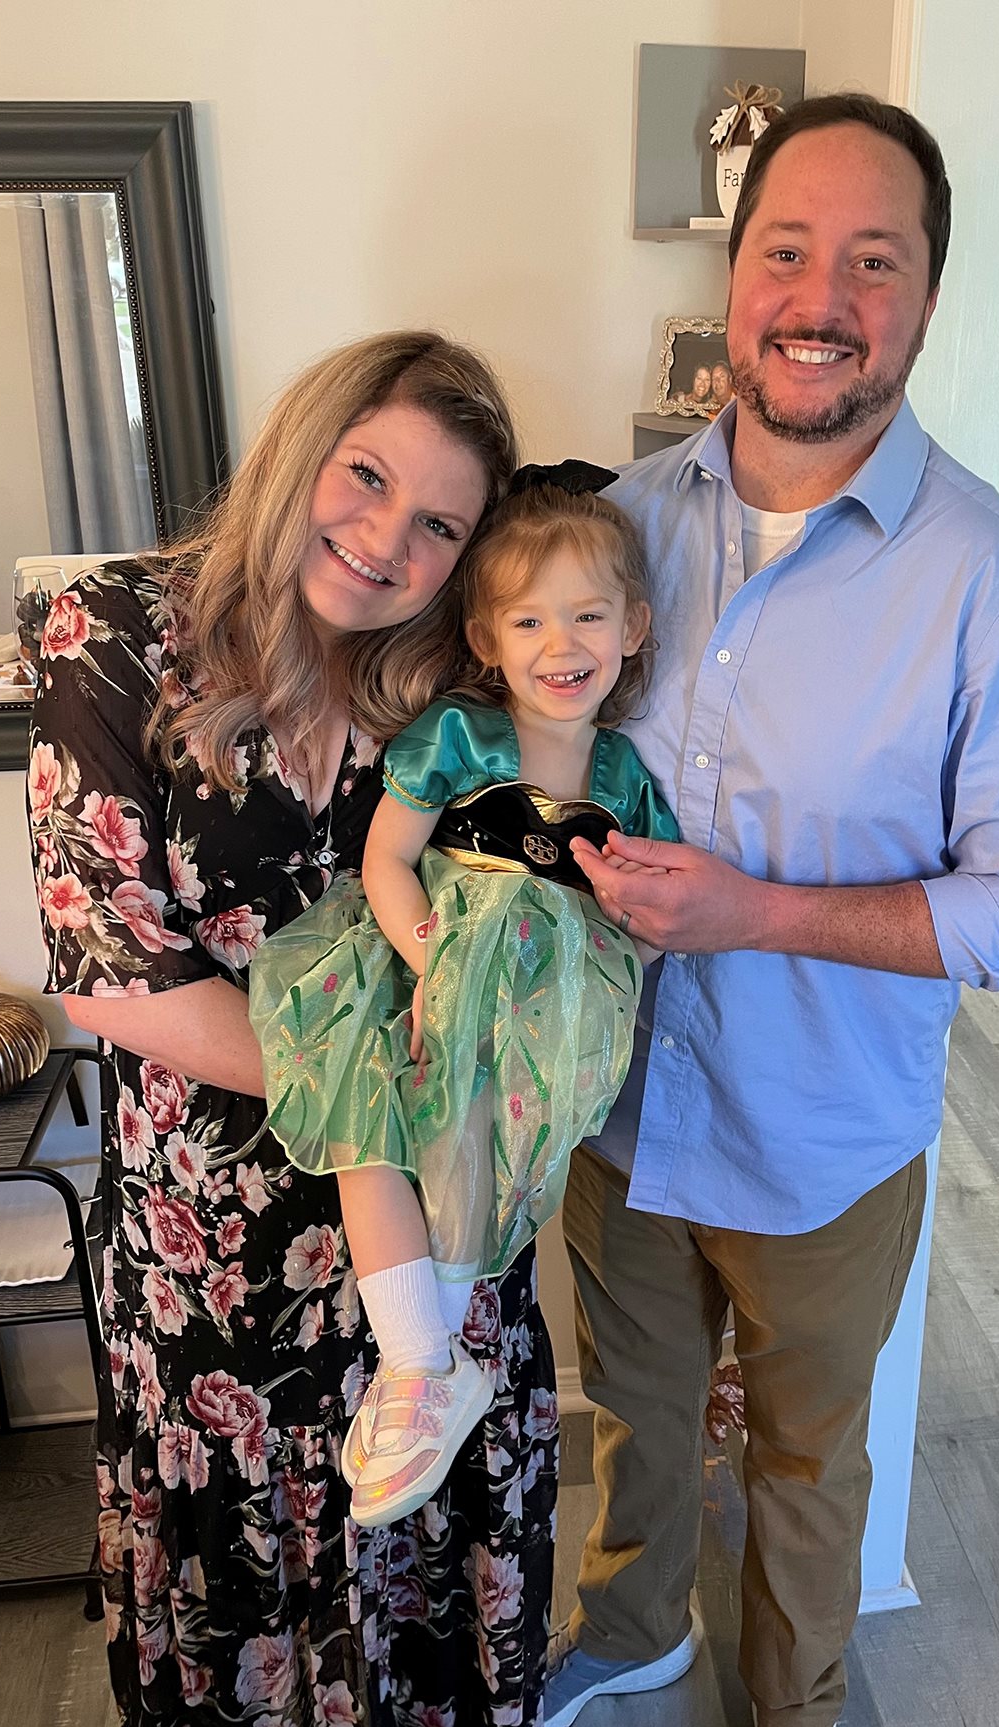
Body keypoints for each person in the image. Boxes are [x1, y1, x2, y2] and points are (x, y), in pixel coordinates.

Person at [544, 96, 999, 1727]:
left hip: (825, 1141)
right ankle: (634, 1632)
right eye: (788, 251)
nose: (822, 296)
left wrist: (757, 912)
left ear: (927, 300)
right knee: (637, 1417)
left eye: (873, 261)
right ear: (735, 284)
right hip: (621, 1117)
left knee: (809, 1456)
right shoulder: (622, 527)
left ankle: (792, 1716)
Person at [27, 331, 561, 1727]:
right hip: (225, 1254)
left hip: (439, 1250)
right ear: (301, 448)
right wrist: (380, 1092)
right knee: (246, 1638)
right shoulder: (116, 633)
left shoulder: (454, 672)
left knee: (433, 1614)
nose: (389, 541)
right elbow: (114, 975)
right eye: (367, 476)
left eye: (441, 523)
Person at [249, 472, 678, 1530]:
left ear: (632, 626)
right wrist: (428, 960)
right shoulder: (459, 736)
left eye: (586, 615)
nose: (559, 642)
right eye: (528, 619)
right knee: (368, 1128)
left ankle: (432, 1368)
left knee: (476, 1142)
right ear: (486, 638)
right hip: (425, 961)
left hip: (543, 994)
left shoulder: (618, 772)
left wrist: (611, 971)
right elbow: (386, 859)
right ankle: (417, 1365)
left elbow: (643, 895)